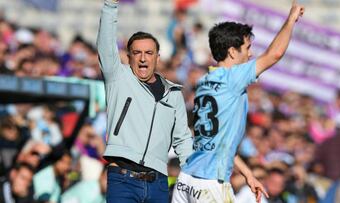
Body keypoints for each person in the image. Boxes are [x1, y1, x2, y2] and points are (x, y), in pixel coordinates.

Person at [172, 1, 305, 202]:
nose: (251, 54)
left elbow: (220, 143)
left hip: (187, 180)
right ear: (233, 52)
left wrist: (248, 174)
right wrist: (291, 19)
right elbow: (274, 55)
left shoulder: (204, 81)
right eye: (247, 48)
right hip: (210, 183)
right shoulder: (232, 78)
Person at [96, 0, 193, 202]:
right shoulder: (118, 77)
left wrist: (193, 174)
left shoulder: (173, 93)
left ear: (157, 57)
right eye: (137, 53)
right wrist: (110, 6)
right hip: (123, 179)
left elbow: (182, 138)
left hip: (158, 182)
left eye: (149, 53)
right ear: (128, 56)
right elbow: (105, 45)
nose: (142, 58)